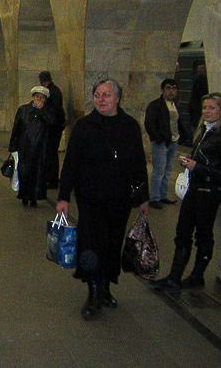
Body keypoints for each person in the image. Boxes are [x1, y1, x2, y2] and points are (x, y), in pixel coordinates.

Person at [56, 79, 149, 321]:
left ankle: (106, 287)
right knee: (91, 245)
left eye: (106, 94)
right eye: (97, 94)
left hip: (119, 200)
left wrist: (143, 198)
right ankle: (93, 291)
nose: (101, 99)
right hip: (90, 199)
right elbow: (71, 164)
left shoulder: (129, 126)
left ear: (117, 98)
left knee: (112, 244)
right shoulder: (84, 127)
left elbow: (138, 163)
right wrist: (63, 196)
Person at [151, 93, 221, 292]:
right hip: (195, 188)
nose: (207, 111)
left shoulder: (219, 136)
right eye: (204, 107)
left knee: (203, 234)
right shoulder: (204, 131)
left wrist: (196, 166)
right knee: (182, 232)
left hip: (210, 192)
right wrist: (190, 163)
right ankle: (174, 277)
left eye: (212, 107)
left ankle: (197, 276)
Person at [8, 86, 54, 207]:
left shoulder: (47, 112)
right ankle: (24, 195)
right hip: (24, 147)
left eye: (42, 98)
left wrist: (41, 111)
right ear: (33, 97)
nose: (39, 100)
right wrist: (13, 146)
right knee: (24, 172)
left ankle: (34, 197)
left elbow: (51, 123)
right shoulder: (23, 110)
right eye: (37, 97)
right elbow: (17, 128)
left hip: (40, 148)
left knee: (37, 173)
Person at [144, 79, 184, 209]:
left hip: (173, 141)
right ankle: (154, 198)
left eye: (174, 88)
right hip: (161, 143)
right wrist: (158, 138)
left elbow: (178, 122)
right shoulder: (155, 105)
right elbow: (149, 123)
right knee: (159, 170)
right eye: (168, 88)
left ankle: (163, 195)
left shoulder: (175, 104)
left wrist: (182, 136)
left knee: (168, 170)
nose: (171, 91)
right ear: (162, 90)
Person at [39, 71, 65, 189]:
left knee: (51, 153)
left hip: (53, 127)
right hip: (55, 126)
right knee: (51, 153)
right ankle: (50, 178)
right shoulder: (54, 90)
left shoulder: (51, 92)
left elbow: (53, 110)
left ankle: (52, 179)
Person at [189, 62, 208, 131]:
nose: (202, 70)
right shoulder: (201, 79)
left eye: (203, 68)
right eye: (200, 68)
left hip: (197, 113)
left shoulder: (197, 79)